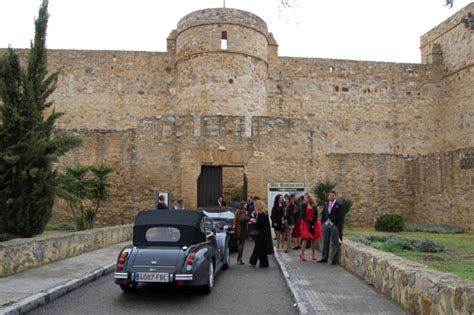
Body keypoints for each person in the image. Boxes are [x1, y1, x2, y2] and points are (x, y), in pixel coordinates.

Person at [318, 190, 344, 265]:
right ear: (329, 196)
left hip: (334, 226)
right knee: (325, 242)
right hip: (326, 225)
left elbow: (341, 217)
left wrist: (337, 226)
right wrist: (323, 224)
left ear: (335, 196)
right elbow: (323, 215)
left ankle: (333, 259)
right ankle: (324, 258)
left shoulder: (338, 205)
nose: (331, 197)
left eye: (333, 195)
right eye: (330, 195)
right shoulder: (326, 204)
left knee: (334, 243)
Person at [249, 200, 274, 267]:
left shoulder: (261, 214)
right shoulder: (263, 213)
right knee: (261, 249)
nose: (254, 207)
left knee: (259, 248)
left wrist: (254, 221)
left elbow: (261, 224)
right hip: (264, 233)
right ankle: (263, 263)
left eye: (255, 206)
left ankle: (254, 262)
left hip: (262, 234)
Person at [299, 192, 322, 261]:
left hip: (313, 223)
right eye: (305, 197)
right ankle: (302, 254)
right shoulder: (303, 205)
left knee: (313, 239)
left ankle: (313, 254)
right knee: (305, 239)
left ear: (309, 198)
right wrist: (308, 221)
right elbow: (302, 215)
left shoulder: (314, 205)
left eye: (306, 197)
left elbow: (316, 215)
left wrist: (313, 223)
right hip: (305, 223)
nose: (305, 199)